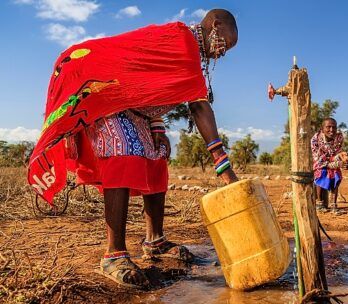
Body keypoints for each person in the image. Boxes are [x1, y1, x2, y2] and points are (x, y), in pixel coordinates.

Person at [28, 9, 239, 289]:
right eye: (225, 43)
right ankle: (113, 255)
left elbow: (149, 85)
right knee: (123, 151)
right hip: (101, 90)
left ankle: (155, 241)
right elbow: (199, 105)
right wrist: (223, 166)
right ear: (216, 24)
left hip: (130, 106)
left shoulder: (185, 49)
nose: (222, 53)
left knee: (156, 158)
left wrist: (157, 129)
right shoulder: (182, 40)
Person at [311, 118, 348, 214]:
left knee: (336, 174)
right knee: (321, 173)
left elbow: (338, 153)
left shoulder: (339, 137)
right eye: (328, 127)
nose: (331, 130)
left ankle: (333, 205)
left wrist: (344, 161)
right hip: (319, 163)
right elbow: (318, 160)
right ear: (322, 128)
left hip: (332, 161)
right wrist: (337, 163)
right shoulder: (315, 140)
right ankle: (319, 204)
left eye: (334, 127)